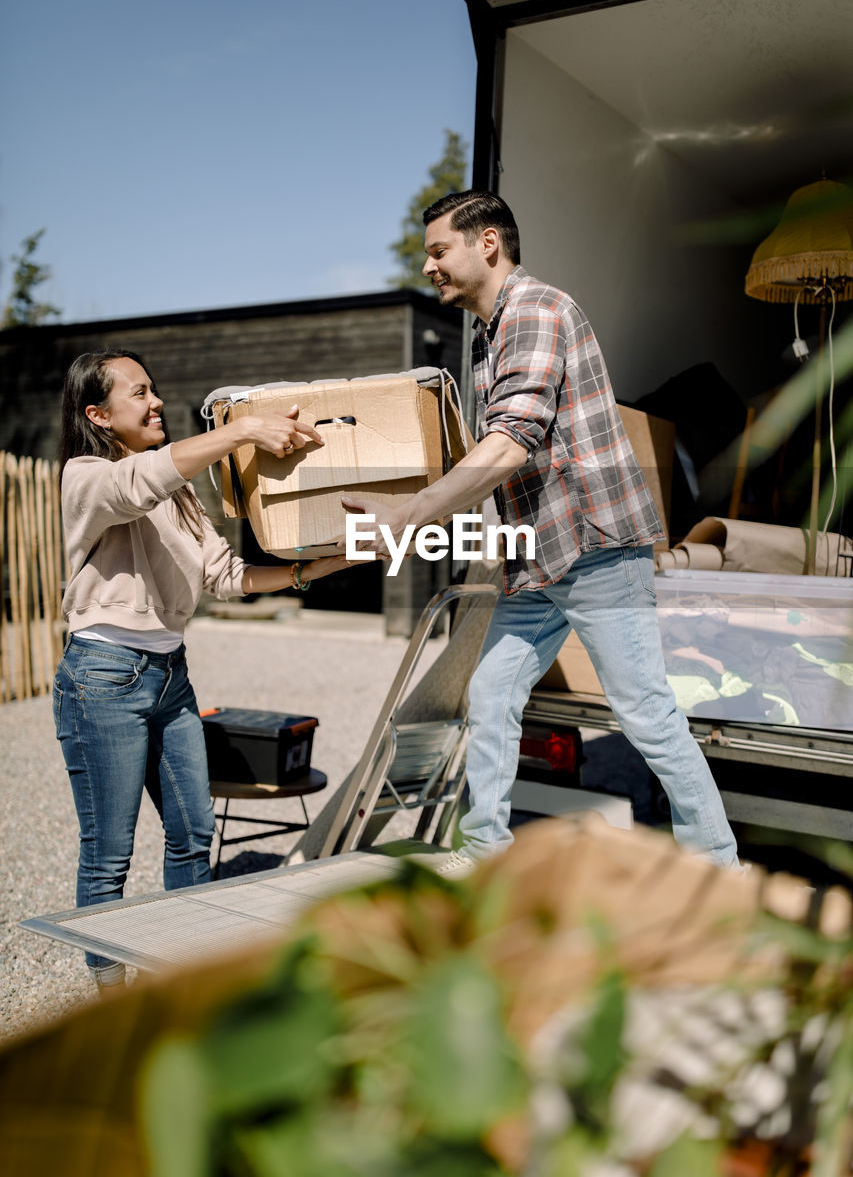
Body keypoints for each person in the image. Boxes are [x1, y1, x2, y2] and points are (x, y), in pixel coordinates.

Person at [341, 191, 740, 876]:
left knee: (644, 713)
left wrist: (405, 518)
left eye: (438, 250)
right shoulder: (487, 335)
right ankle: (482, 851)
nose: (429, 265)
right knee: (491, 696)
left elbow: (511, 442)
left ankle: (717, 868)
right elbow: (491, 458)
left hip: (593, 547)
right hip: (535, 558)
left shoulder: (534, 310)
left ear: (486, 243)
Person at [54, 349, 354, 990]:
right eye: (138, 394)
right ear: (98, 415)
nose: (156, 400)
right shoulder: (84, 478)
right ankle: (111, 1000)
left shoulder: (179, 488)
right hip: (103, 678)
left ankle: (183, 983)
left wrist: (318, 567)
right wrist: (241, 430)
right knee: (109, 855)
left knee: (192, 833)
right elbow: (135, 486)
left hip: (170, 676)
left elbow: (226, 574)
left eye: (153, 388)